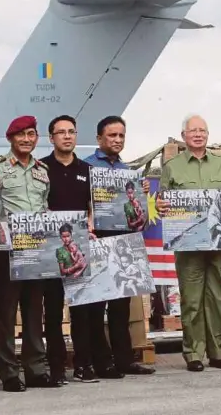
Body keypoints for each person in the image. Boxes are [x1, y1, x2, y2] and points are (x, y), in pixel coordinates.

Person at [0, 115, 57, 391]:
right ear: (10, 138)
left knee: (35, 311)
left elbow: (44, 207)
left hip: (37, 250)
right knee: (5, 313)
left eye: (31, 134)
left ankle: (36, 370)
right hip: (6, 250)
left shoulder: (42, 169)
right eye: (21, 134)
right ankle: (9, 373)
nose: (26, 139)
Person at [156, 114, 221, 372]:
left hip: (217, 243)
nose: (198, 134)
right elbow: (162, 201)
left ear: (208, 135)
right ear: (183, 137)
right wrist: (160, 205)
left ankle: (217, 351)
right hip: (188, 244)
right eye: (193, 131)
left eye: (202, 130)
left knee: (216, 297)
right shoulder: (172, 166)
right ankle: (193, 353)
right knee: (191, 300)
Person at [84, 115, 155, 376]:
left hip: (124, 241)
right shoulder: (86, 167)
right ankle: (102, 361)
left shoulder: (128, 172)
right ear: (99, 138)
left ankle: (124, 360)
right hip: (97, 240)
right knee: (95, 306)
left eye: (121, 135)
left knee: (121, 306)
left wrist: (142, 191)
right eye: (112, 135)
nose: (117, 140)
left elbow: (138, 216)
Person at [40, 115, 104, 383]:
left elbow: (95, 207)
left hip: (81, 248)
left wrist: (90, 225)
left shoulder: (87, 170)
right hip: (51, 250)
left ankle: (83, 364)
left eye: (71, 132)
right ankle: (56, 367)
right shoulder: (40, 169)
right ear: (51, 137)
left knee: (83, 311)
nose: (67, 136)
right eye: (61, 132)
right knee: (53, 312)